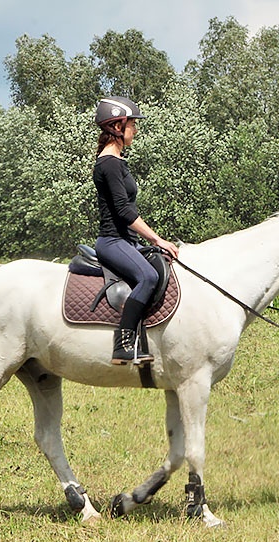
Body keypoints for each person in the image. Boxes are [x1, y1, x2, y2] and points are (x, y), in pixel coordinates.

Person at [93, 97, 179, 365]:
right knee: (148, 277)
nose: (136, 130)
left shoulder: (118, 162)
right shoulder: (109, 163)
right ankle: (124, 342)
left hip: (127, 242)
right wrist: (157, 239)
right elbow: (124, 212)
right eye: (132, 124)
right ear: (117, 126)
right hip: (112, 241)